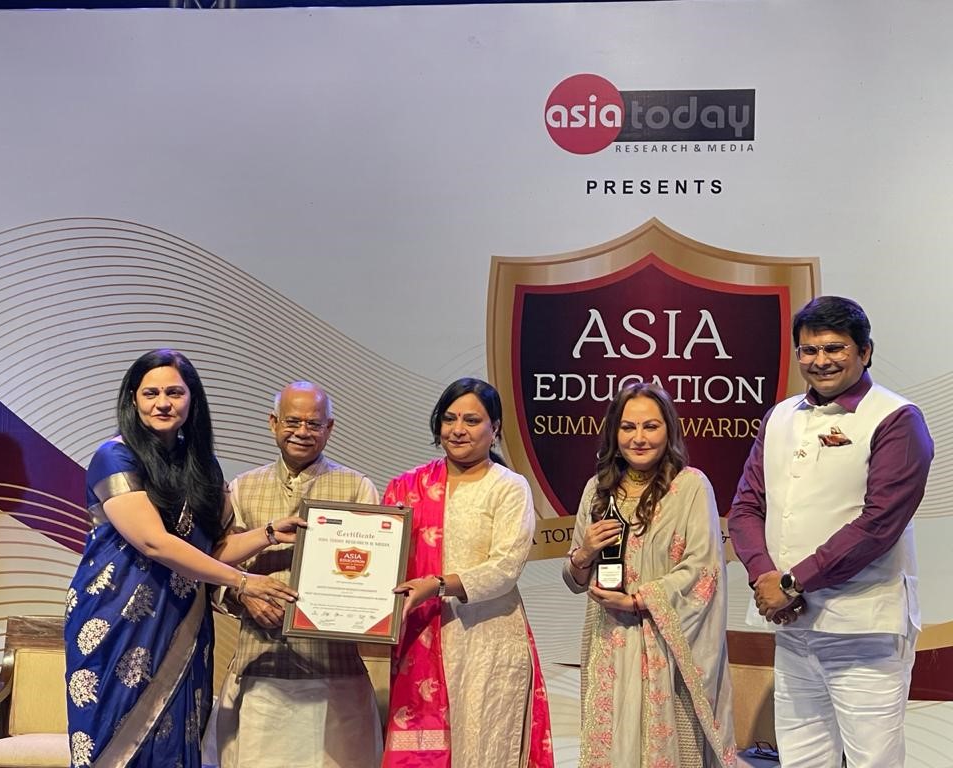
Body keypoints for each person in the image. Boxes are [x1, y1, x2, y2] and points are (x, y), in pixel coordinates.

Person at [64, 349, 302, 768]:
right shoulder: (115, 457)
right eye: (151, 393)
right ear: (133, 399)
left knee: (178, 739)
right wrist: (244, 582)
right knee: (113, 742)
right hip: (117, 621)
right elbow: (154, 543)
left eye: (174, 392)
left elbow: (208, 553)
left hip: (182, 620)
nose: (162, 403)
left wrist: (266, 535)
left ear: (192, 399)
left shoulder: (204, 467)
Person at [729, 295, 933, 768]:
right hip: (793, 626)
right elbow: (745, 508)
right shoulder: (780, 416)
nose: (820, 361)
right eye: (809, 350)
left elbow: (878, 524)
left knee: (872, 762)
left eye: (835, 348)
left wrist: (792, 583)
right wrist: (766, 578)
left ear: (865, 351)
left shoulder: (897, 418)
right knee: (802, 759)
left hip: (864, 629)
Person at [563, 381, 736, 767]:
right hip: (608, 639)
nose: (638, 438)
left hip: (667, 642)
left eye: (650, 426)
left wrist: (639, 601)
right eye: (628, 427)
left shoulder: (690, 486)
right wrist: (584, 554)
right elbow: (574, 579)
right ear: (614, 432)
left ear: (668, 430)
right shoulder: (597, 489)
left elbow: (703, 569)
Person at [384, 378, 553, 768]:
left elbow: (505, 567)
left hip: (487, 643)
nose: (458, 429)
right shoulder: (406, 487)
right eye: (449, 419)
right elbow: (383, 556)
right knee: (417, 754)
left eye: (472, 420)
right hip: (420, 638)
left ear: (495, 428)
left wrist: (436, 585)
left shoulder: (508, 487)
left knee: (481, 753)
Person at [213, 381, 383, 768]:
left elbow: (374, 575)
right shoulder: (241, 488)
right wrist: (243, 594)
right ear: (273, 423)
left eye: (314, 423)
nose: (302, 432)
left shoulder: (357, 488)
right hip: (260, 664)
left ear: (329, 428)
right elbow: (214, 569)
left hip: (335, 671)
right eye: (292, 421)